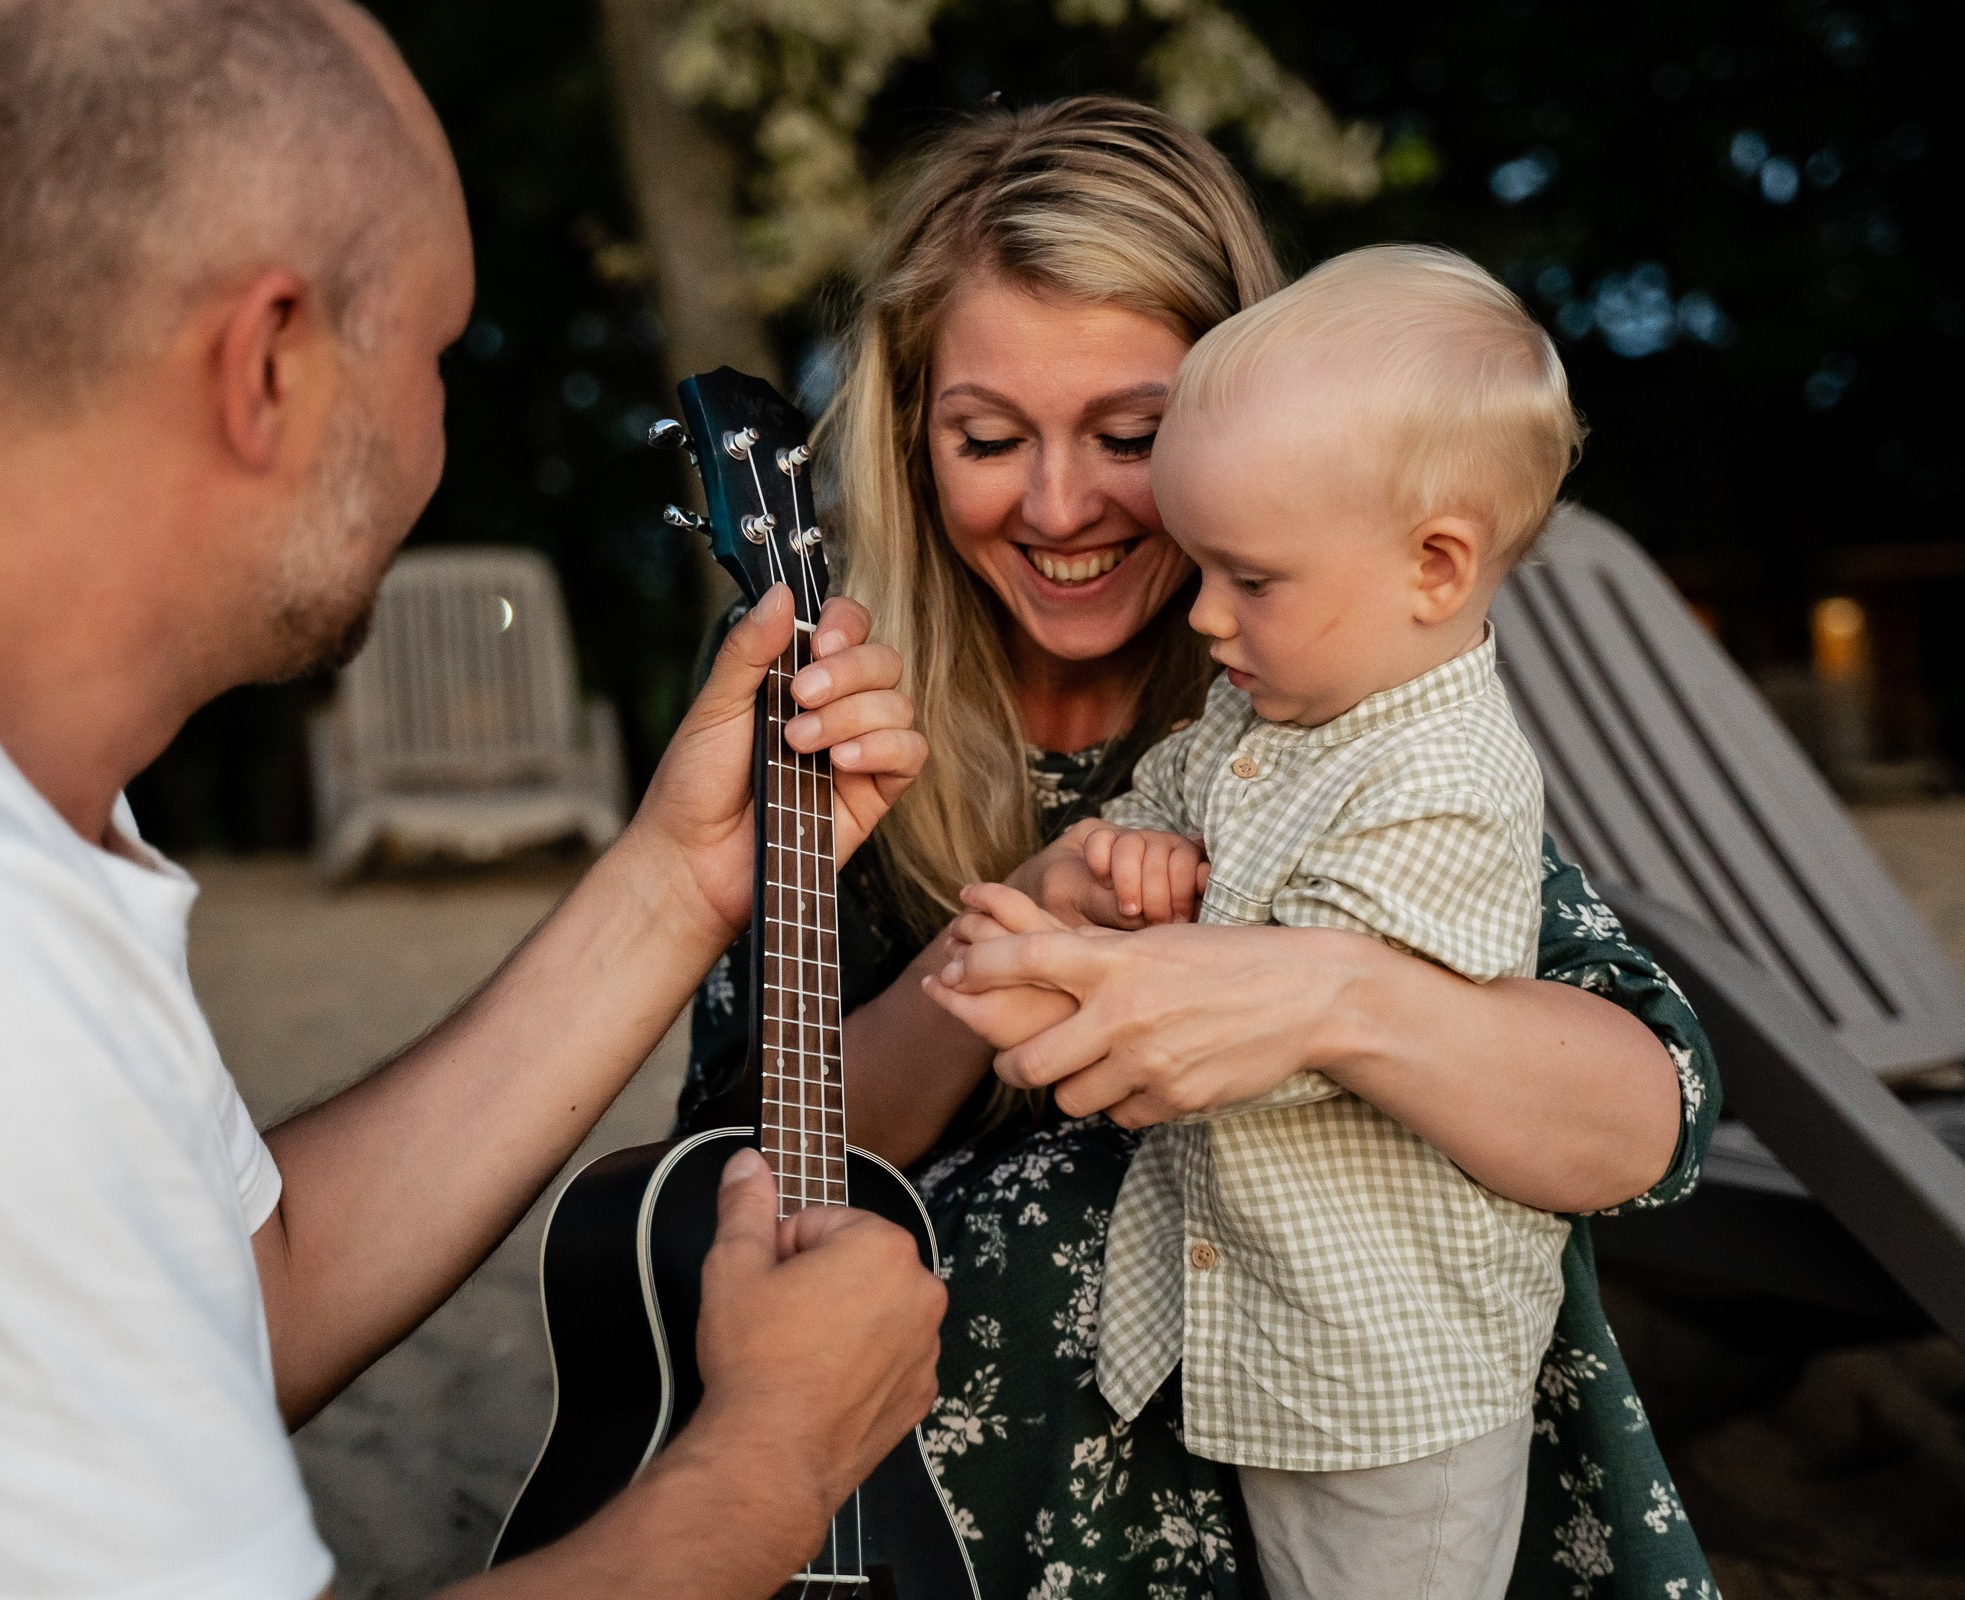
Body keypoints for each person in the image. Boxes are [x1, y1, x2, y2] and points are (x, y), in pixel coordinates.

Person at [0, 2, 941, 1596]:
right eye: (435, 358)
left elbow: (243, 1298)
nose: (443, 431)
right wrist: (770, 1461)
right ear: (270, 361)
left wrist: (671, 882)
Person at [678, 98, 1722, 1600]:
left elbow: (1649, 1120)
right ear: (912, 437)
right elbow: (738, 1175)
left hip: (1359, 1450)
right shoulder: (831, 700)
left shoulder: (1332, 700)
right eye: (986, 438)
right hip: (968, 1520)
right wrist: (1013, 930)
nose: (1059, 507)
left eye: (1132, 437)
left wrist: (1329, 998)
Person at [930, 245, 1588, 1600]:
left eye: (1252, 579)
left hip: (1391, 1373)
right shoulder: (1280, 696)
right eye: (990, 434)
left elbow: (1298, 1017)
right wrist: (1127, 857)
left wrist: (1091, 987)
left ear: (1436, 566)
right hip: (1275, 1339)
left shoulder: (1445, 782)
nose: (1208, 614)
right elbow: (1182, 793)